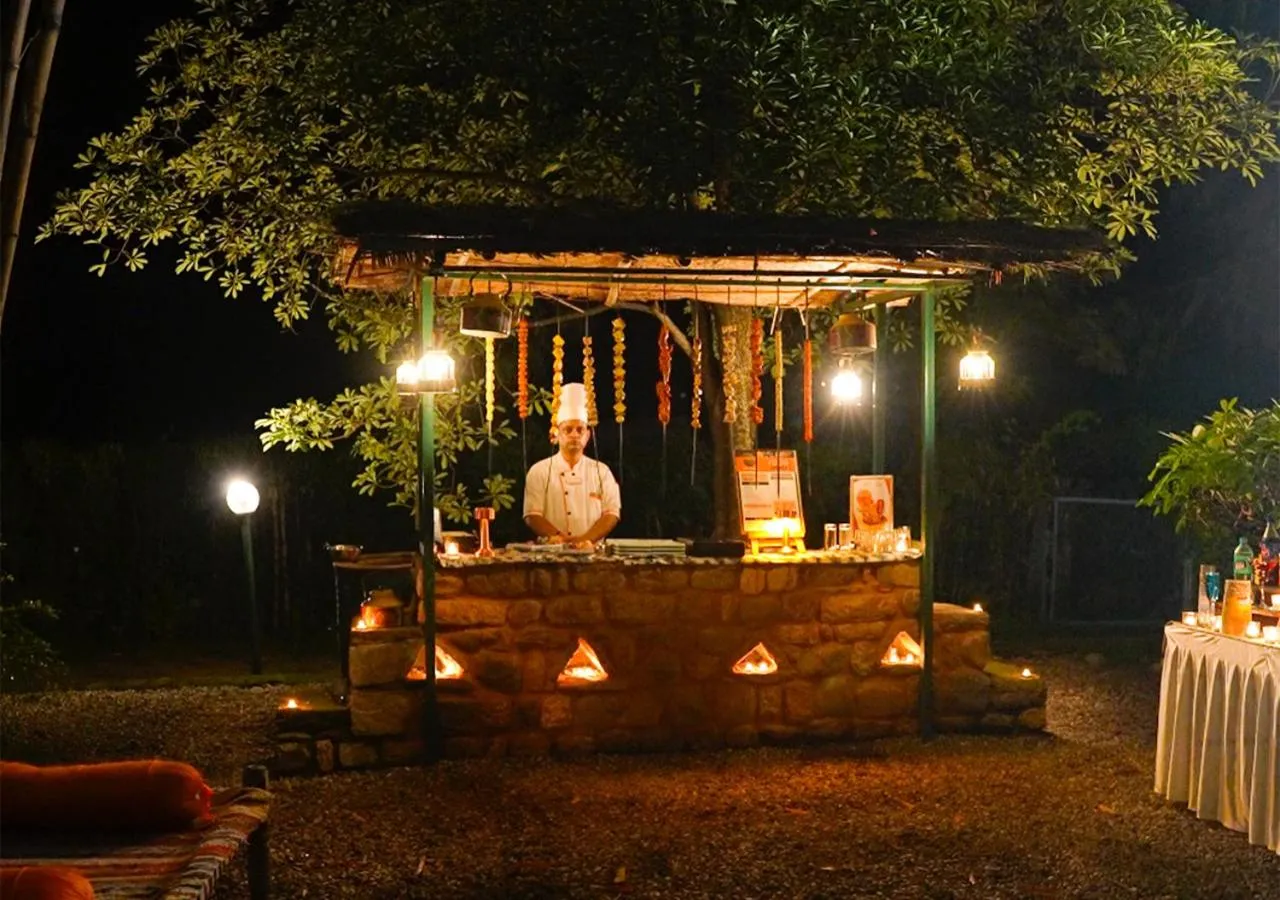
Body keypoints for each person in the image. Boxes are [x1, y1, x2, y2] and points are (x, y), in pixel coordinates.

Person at [523, 383, 620, 546]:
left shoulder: (602, 472)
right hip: (553, 554)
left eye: (580, 430)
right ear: (556, 435)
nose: (574, 435)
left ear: (587, 436)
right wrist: (561, 539)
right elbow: (532, 515)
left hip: (593, 553)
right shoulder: (539, 471)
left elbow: (611, 513)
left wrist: (584, 540)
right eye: (568, 430)